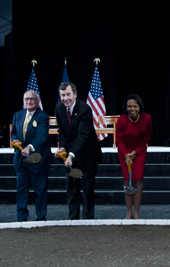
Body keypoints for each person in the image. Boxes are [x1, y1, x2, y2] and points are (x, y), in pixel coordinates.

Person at [55, 82, 102, 220]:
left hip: (88, 154)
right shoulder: (59, 108)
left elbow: (82, 136)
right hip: (71, 155)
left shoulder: (85, 109)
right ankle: (72, 219)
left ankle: (88, 220)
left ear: (75, 94)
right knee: (72, 187)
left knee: (87, 188)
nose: (66, 98)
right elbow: (62, 131)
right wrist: (62, 148)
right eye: (63, 95)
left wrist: (70, 154)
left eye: (68, 94)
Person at [10, 90, 52, 221]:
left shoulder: (43, 116)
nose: (29, 101)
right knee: (21, 191)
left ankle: (41, 217)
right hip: (21, 160)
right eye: (26, 99)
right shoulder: (18, 115)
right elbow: (14, 133)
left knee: (39, 190)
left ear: (37, 101)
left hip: (37, 160)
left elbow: (42, 136)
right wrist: (15, 140)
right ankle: (21, 218)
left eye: (32, 99)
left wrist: (30, 147)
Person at [115, 94, 152, 219]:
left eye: (135, 106)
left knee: (138, 179)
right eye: (129, 106)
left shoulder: (147, 118)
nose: (132, 109)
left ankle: (136, 212)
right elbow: (119, 141)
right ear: (125, 108)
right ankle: (128, 212)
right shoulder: (121, 120)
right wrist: (126, 155)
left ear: (139, 107)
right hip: (124, 151)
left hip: (139, 151)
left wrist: (135, 152)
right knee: (127, 180)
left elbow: (147, 137)